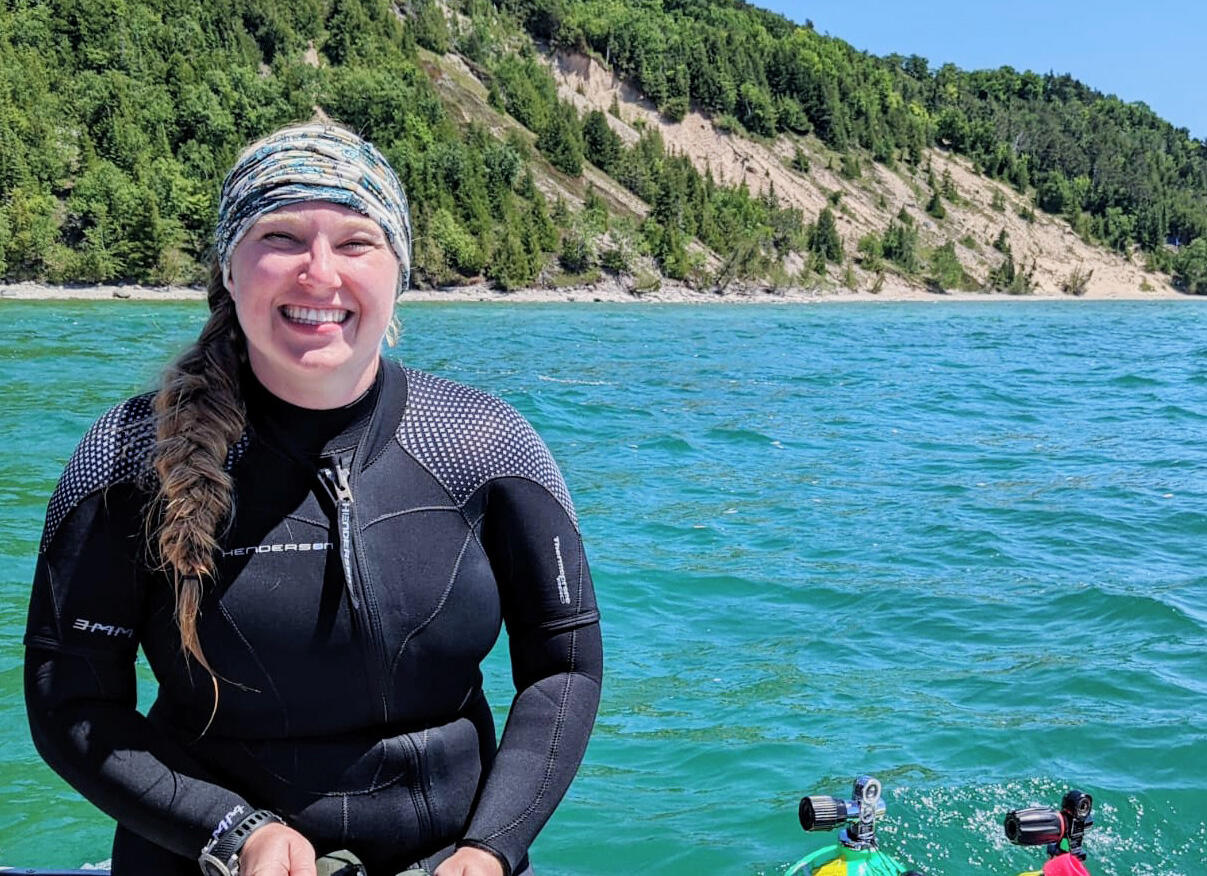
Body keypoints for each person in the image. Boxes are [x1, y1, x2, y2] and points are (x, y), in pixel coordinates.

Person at [24, 122, 603, 876]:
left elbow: (564, 667)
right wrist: (234, 831)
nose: (319, 273)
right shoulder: (130, 458)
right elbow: (70, 702)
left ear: (399, 271)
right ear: (229, 269)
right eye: (281, 236)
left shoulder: (483, 443)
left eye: (356, 241)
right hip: (206, 860)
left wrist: (490, 847)